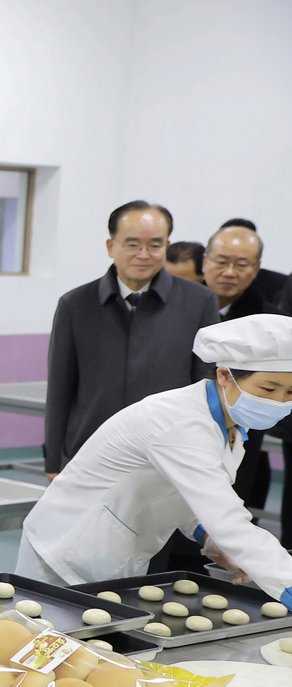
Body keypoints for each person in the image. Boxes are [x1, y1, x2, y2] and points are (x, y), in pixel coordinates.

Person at [17, 315, 292, 607]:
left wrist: (206, 535)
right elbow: (228, 519)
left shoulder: (231, 423)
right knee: (42, 645)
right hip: (65, 551)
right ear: (224, 376)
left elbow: (182, 489)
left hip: (113, 550)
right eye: (268, 389)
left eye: (290, 392)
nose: (278, 402)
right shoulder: (180, 424)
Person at [43, 201, 219, 480]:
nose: (143, 255)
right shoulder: (75, 305)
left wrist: (209, 454)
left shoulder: (199, 302)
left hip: (168, 454)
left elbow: (206, 384)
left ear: (166, 246)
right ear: (111, 247)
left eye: (155, 245)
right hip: (90, 451)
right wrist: (54, 459)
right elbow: (60, 388)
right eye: (132, 244)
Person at [203, 223, 278, 513]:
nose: (230, 272)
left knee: (227, 510)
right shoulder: (177, 308)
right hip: (182, 424)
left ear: (256, 269)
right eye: (221, 262)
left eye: (242, 264)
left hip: (240, 433)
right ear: (205, 260)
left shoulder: (272, 322)